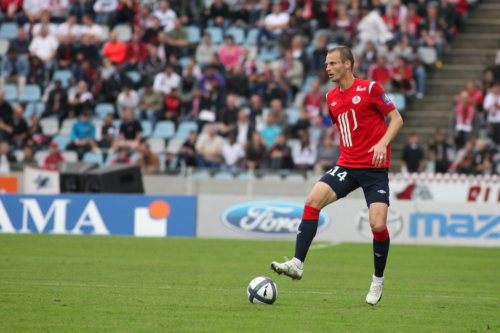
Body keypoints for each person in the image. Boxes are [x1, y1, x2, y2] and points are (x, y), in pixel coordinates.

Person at [270, 46, 403, 306]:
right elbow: (346, 128)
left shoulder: (370, 89)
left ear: (348, 64)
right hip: (347, 165)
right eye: (326, 64)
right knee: (312, 200)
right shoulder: (331, 96)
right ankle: (297, 264)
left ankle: (377, 280)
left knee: (377, 225)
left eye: (332, 63)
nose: (327, 68)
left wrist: (382, 143)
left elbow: (396, 119)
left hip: (374, 169)